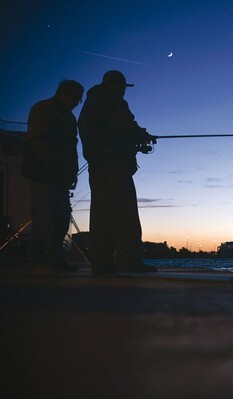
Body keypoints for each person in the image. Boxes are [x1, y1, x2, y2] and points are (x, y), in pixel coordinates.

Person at [78, 70, 156, 275]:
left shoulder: (90, 104)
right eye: (123, 87)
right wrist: (141, 135)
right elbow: (125, 128)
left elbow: (108, 132)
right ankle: (128, 261)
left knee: (101, 217)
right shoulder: (112, 101)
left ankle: (102, 264)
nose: (124, 92)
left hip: (97, 165)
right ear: (117, 86)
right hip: (114, 166)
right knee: (125, 215)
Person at [22, 79, 84, 273]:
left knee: (62, 217)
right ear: (65, 93)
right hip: (42, 173)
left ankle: (54, 259)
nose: (77, 103)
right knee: (43, 217)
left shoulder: (69, 118)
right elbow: (36, 140)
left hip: (60, 176)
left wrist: (72, 171)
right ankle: (37, 260)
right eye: (76, 99)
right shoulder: (42, 109)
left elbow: (72, 146)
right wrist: (53, 164)